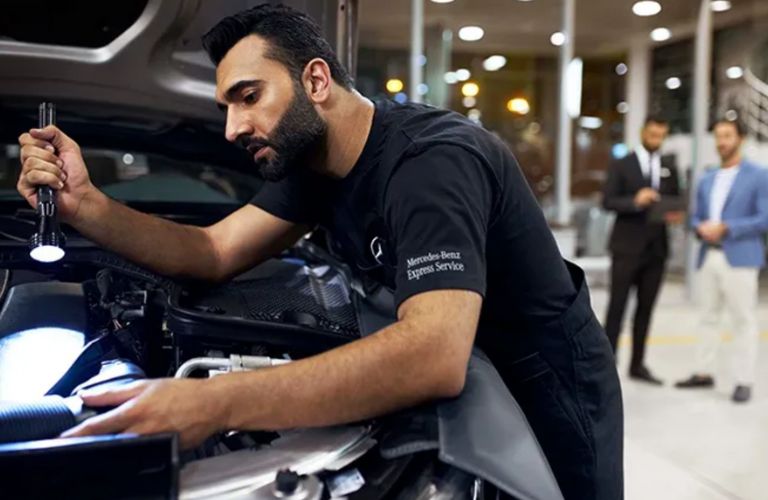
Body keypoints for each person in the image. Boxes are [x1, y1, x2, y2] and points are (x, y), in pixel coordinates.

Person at [16, 5, 623, 498]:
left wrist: (211, 401)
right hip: (476, 367)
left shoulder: (431, 163)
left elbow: (434, 354)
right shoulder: (316, 166)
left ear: (315, 80)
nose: (231, 128)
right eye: (226, 106)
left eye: (247, 96)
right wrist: (86, 206)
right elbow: (212, 250)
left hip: (545, 382)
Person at [676, 119, 768, 403]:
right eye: (718, 136)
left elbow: (764, 219)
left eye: (727, 136)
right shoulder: (708, 177)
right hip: (709, 254)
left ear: (740, 138)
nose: (721, 142)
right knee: (707, 317)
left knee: (743, 320)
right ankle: (704, 372)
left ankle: (744, 380)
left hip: (740, 256)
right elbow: (695, 215)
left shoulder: (759, 175)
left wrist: (727, 227)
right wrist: (698, 226)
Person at [602, 116, 683, 384]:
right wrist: (635, 201)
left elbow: (677, 200)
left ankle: (638, 364)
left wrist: (675, 213)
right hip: (626, 246)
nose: (655, 140)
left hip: (656, 249)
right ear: (642, 133)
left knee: (646, 309)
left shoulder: (669, 166)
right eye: (651, 134)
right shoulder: (623, 164)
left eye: (660, 135)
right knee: (617, 307)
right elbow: (608, 200)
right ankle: (607, 364)